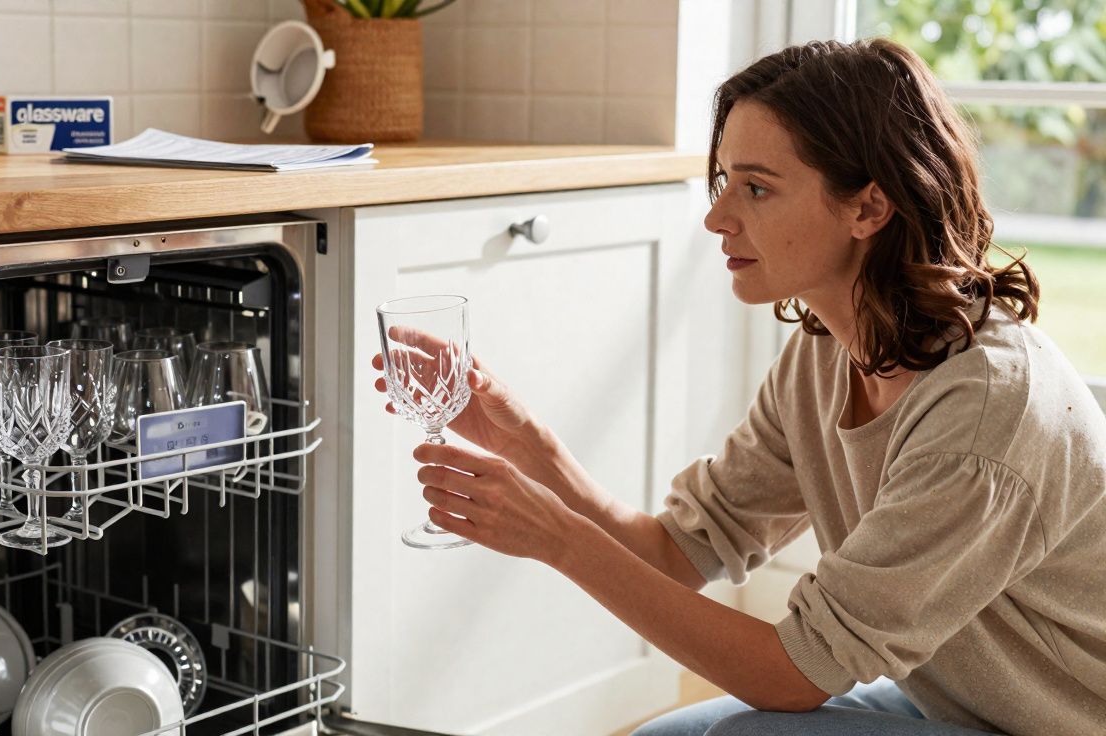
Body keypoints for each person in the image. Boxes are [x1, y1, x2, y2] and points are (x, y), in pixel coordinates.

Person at [372, 38, 1106, 736]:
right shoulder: (823, 356)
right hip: (959, 704)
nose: (717, 217)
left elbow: (793, 675)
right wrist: (526, 442)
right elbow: (677, 555)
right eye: (725, 181)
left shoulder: (983, 413)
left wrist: (559, 541)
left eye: (756, 188)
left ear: (867, 208)